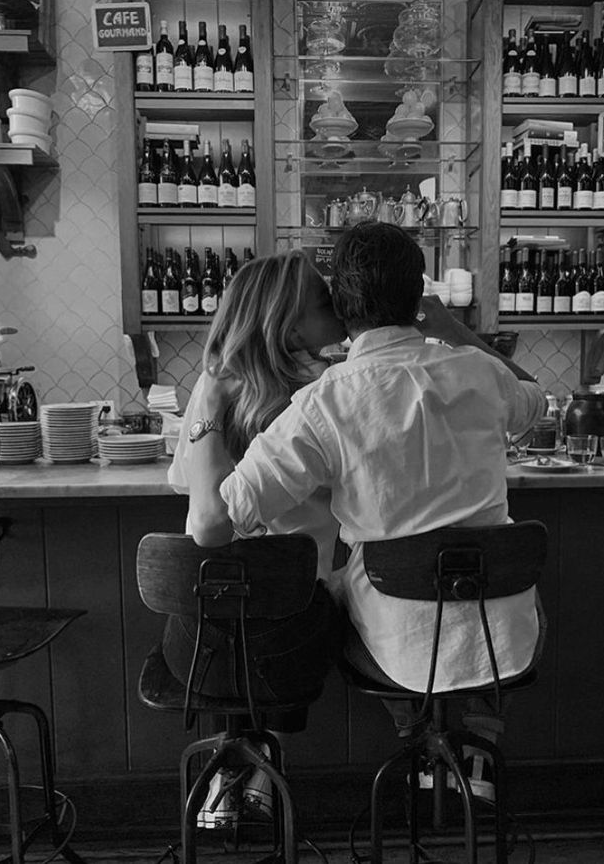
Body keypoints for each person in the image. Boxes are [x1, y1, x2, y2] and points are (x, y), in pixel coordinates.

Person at [187, 222, 547, 799]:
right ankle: (467, 746)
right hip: (506, 639)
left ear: (342, 306)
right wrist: (452, 328)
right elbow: (538, 400)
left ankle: (415, 738)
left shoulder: (323, 402)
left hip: (396, 648)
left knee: (340, 591)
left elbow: (212, 525)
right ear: (420, 293)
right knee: (447, 591)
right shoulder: (480, 373)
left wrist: (205, 404)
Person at [166, 250, 347, 827]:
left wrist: (211, 404)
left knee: (232, 605)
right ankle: (261, 760)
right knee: (302, 601)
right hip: (292, 646)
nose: (339, 309)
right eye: (326, 302)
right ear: (289, 325)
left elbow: (184, 488)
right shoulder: (327, 393)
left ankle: (236, 763)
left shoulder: (213, 390)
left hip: (198, 651)